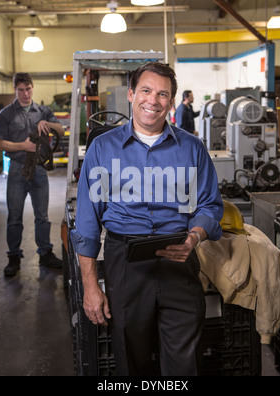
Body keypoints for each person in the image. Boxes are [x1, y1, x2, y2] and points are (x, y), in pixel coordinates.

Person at [72, 62, 223, 376]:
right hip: (126, 262)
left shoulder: (192, 148)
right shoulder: (102, 148)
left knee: (184, 360)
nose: (153, 100)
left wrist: (194, 237)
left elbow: (209, 206)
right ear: (130, 94)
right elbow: (87, 224)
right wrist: (89, 286)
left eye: (162, 94)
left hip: (180, 259)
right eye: (145, 90)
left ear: (171, 101)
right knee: (131, 355)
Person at [0, 72, 65, 277]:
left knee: (42, 215)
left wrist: (48, 124)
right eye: (21, 90)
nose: (25, 93)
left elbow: (60, 131)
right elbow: (0, 143)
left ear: (33, 88)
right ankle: (13, 257)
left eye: (28, 89)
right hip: (17, 169)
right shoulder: (6, 114)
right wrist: (22, 146)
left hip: (40, 169)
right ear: (16, 90)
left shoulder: (43, 111)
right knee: (14, 216)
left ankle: (45, 253)